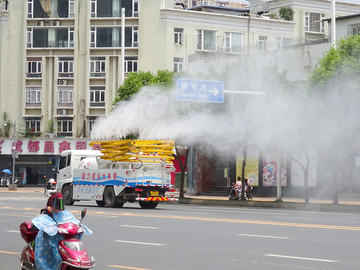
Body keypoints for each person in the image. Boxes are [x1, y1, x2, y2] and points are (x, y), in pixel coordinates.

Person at [31, 192, 91, 270]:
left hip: (64, 236)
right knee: (46, 245)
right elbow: (40, 222)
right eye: (57, 203)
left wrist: (79, 226)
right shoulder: (47, 213)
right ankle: (44, 267)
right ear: (52, 203)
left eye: (61, 203)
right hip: (50, 238)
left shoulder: (66, 213)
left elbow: (73, 221)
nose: (60, 206)